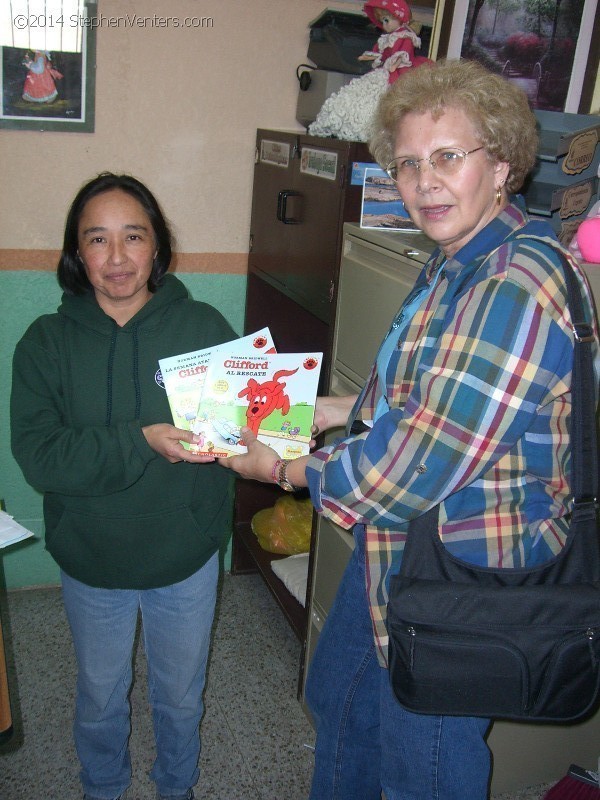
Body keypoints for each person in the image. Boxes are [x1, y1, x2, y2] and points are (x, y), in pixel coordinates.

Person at [220, 59, 600, 799]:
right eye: (407, 163)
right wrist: (336, 411)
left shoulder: (515, 283)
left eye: (448, 158)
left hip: (463, 578)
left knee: (422, 762)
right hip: (397, 551)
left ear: (503, 165)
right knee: (342, 705)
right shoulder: (453, 263)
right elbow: (420, 399)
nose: (424, 181)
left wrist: (280, 469)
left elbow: (416, 464)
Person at [10, 173, 237, 800]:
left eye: (133, 237)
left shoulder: (206, 328)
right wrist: (140, 438)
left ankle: (177, 786)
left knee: (180, 695)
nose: (116, 258)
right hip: (93, 558)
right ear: (76, 254)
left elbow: (240, 434)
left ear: (157, 248)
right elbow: (41, 457)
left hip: (185, 554)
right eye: (97, 239)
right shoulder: (45, 344)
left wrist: (290, 425)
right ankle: (103, 787)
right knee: (101, 694)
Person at [308, 0, 431, 141]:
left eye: (387, 20)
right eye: (382, 21)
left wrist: (394, 64)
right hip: (385, 70)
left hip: (398, 72)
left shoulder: (405, 36)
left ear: (399, 18)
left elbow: (403, 53)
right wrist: (369, 56)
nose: (384, 25)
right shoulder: (387, 39)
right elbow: (382, 54)